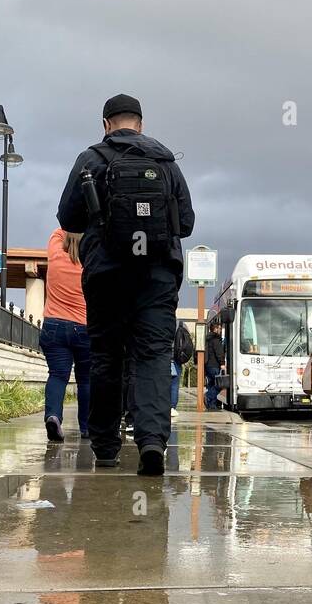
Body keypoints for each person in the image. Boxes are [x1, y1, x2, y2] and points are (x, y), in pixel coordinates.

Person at [57, 94, 195, 476]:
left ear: (106, 125)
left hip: (107, 274)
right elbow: (185, 223)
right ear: (141, 123)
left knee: (106, 356)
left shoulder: (91, 159)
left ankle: (105, 446)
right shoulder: (165, 162)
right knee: (152, 355)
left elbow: (68, 215)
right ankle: (151, 442)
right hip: (157, 276)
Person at [39, 229, 92, 442]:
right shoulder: (89, 263)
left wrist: (72, 226)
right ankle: (87, 427)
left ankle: (53, 415)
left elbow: (59, 230)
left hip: (54, 325)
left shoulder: (54, 252)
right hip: (84, 326)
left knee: (58, 375)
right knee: (86, 380)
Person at [170, 319, 194, 416]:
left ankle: (162, 405)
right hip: (177, 358)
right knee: (174, 385)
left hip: (163, 357)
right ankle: (172, 407)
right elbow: (187, 341)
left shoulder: (162, 321)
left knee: (161, 383)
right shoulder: (181, 324)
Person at [204, 318, 225, 409]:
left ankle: (211, 405)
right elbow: (219, 352)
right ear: (215, 329)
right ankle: (208, 396)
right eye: (219, 328)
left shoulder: (208, 339)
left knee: (211, 384)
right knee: (220, 384)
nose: (220, 330)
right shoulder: (216, 339)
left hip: (208, 365)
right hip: (214, 365)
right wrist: (222, 363)